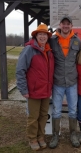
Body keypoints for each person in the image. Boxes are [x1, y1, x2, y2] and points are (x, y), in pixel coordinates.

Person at [16, 23, 54, 151]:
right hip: (33, 91)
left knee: (43, 115)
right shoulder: (29, 50)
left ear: (48, 37)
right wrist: (23, 89)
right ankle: (32, 138)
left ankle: (40, 136)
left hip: (46, 90)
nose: (42, 36)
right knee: (33, 117)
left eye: (45, 34)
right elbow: (20, 70)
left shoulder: (49, 51)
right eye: (40, 34)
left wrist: (51, 88)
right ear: (36, 36)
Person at [49, 15, 81, 148]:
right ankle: (55, 135)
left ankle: (73, 134)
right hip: (57, 82)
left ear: (71, 26)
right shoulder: (52, 40)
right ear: (60, 25)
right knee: (56, 110)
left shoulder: (77, 41)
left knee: (73, 110)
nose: (66, 26)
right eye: (63, 24)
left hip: (72, 82)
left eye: (68, 24)